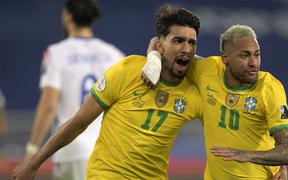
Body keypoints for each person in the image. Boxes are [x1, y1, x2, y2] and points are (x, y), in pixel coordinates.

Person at [11, 4, 202, 180]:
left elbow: (49, 105)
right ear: (160, 45)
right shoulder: (124, 66)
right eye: (178, 40)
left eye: (191, 43)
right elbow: (79, 122)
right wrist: (34, 162)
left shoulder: (195, 91)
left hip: (87, 158)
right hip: (104, 171)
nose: (186, 48)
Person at [142, 24, 288, 179]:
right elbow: (159, 44)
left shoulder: (269, 88)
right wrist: (153, 62)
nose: (253, 63)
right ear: (225, 58)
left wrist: (248, 155)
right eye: (244, 55)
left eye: (256, 54)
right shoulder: (208, 71)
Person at [23, 0, 125, 179]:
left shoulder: (56, 53)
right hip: (107, 154)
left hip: (71, 150)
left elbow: (48, 105)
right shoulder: (114, 54)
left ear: (68, 16)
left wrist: (32, 149)